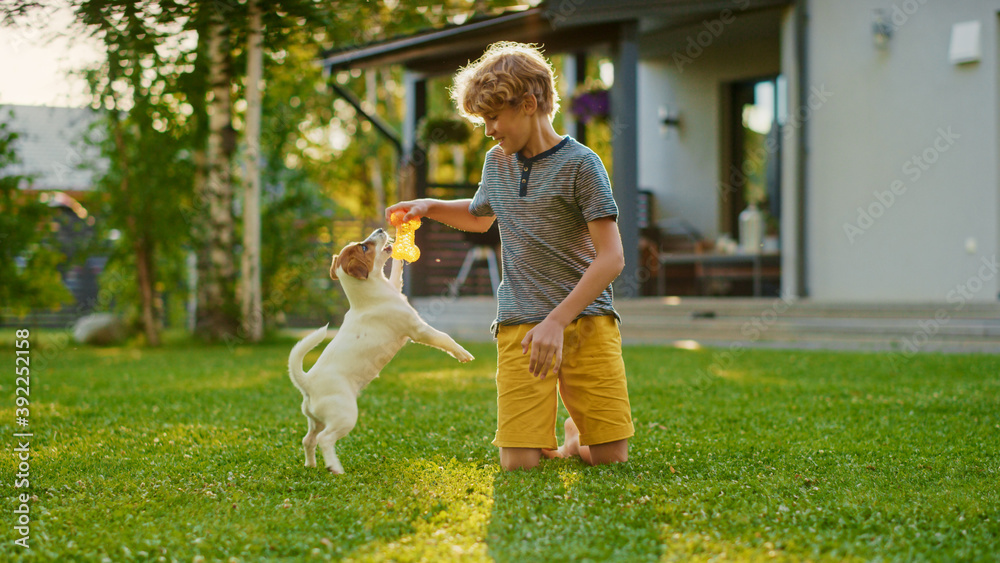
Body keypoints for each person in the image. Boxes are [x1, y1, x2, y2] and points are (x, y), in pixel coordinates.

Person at [385, 42, 634, 471]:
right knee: (518, 464)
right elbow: (482, 216)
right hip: (520, 322)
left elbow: (611, 258)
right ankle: (556, 430)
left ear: (530, 104)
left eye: (494, 117)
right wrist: (429, 205)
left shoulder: (582, 165)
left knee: (608, 460)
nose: (488, 129)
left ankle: (576, 435)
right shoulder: (496, 163)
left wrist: (557, 320)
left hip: (586, 322)